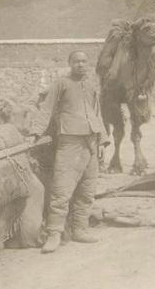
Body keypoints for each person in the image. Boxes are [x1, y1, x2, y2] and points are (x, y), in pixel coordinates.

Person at [31, 50, 109, 253]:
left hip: (91, 141)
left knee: (87, 189)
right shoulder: (61, 84)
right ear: (70, 63)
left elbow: (97, 113)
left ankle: (80, 229)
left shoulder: (91, 85)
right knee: (61, 189)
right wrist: (35, 132)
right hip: (70, 142)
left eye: (84, 61)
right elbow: (46, 109)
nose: (80, 65)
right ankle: (54, 233)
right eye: (76, 61)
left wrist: (102, 141)